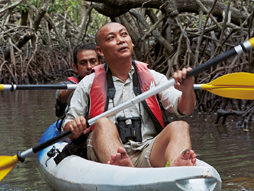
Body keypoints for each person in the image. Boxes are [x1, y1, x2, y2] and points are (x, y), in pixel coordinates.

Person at [63, 22, 197, 167]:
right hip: (107, 154)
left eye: (124, 34)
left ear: (131, 42)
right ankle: (122, 167)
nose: (120, 40)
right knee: (102, 123)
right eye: (111, 38)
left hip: (148, 150)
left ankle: (177, 171)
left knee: (180, 126)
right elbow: (69, 127)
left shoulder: (153, 77)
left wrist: (187, 90)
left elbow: (184, 109)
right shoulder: (88, 83)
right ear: (100, 51)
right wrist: (74, 126)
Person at [55, 43, 100, 119]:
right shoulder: (69, 84)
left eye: (93, 61)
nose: (89, 67)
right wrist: (84, 85)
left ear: (100, 63)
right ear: (75, 68)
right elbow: (61, 96)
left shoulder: (109, 80)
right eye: (83, 63)